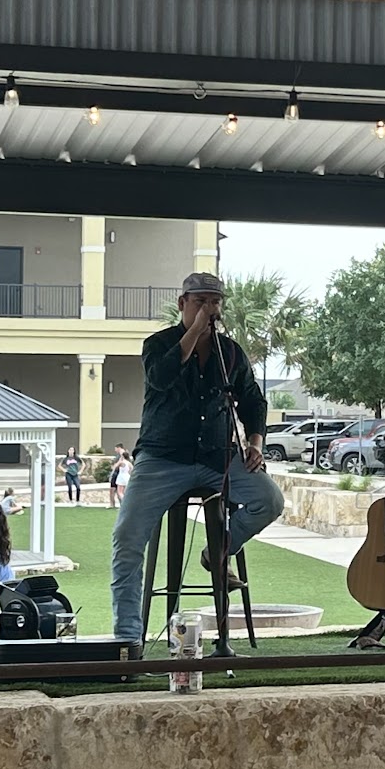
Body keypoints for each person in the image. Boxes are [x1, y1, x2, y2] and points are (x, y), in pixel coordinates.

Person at [108, 271, 281, 652]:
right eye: (200, 301)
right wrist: (194, 333)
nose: (208, 309)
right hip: (162, 457)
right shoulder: (158, 344)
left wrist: (255, 442)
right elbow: (161, 378)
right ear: (183, 303)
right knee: (127, 538)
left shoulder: (230, 352)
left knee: (269, 500)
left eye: (214, 302)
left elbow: (253, 400)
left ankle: (217, 550)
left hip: (218, 457)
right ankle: (126, 636)